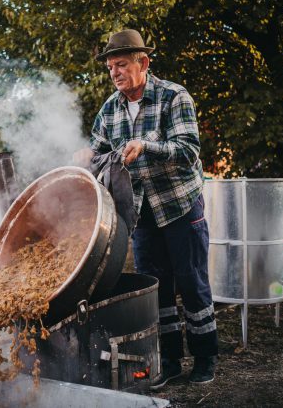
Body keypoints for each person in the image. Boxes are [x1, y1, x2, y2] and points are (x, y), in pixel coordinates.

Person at [79, 29, 219, 388]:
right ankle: (170, 360)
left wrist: (146, 146)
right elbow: (97, 155)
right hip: (139, 212)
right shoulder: (109, 109)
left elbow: (188, 150)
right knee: (157, 289)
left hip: (180, 206)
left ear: (144, 62)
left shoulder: (174, 96)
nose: (114, 73)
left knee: (192, 282)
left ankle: (205, 358)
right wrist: (85, 158)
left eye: (121, 65)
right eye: (110, 67)